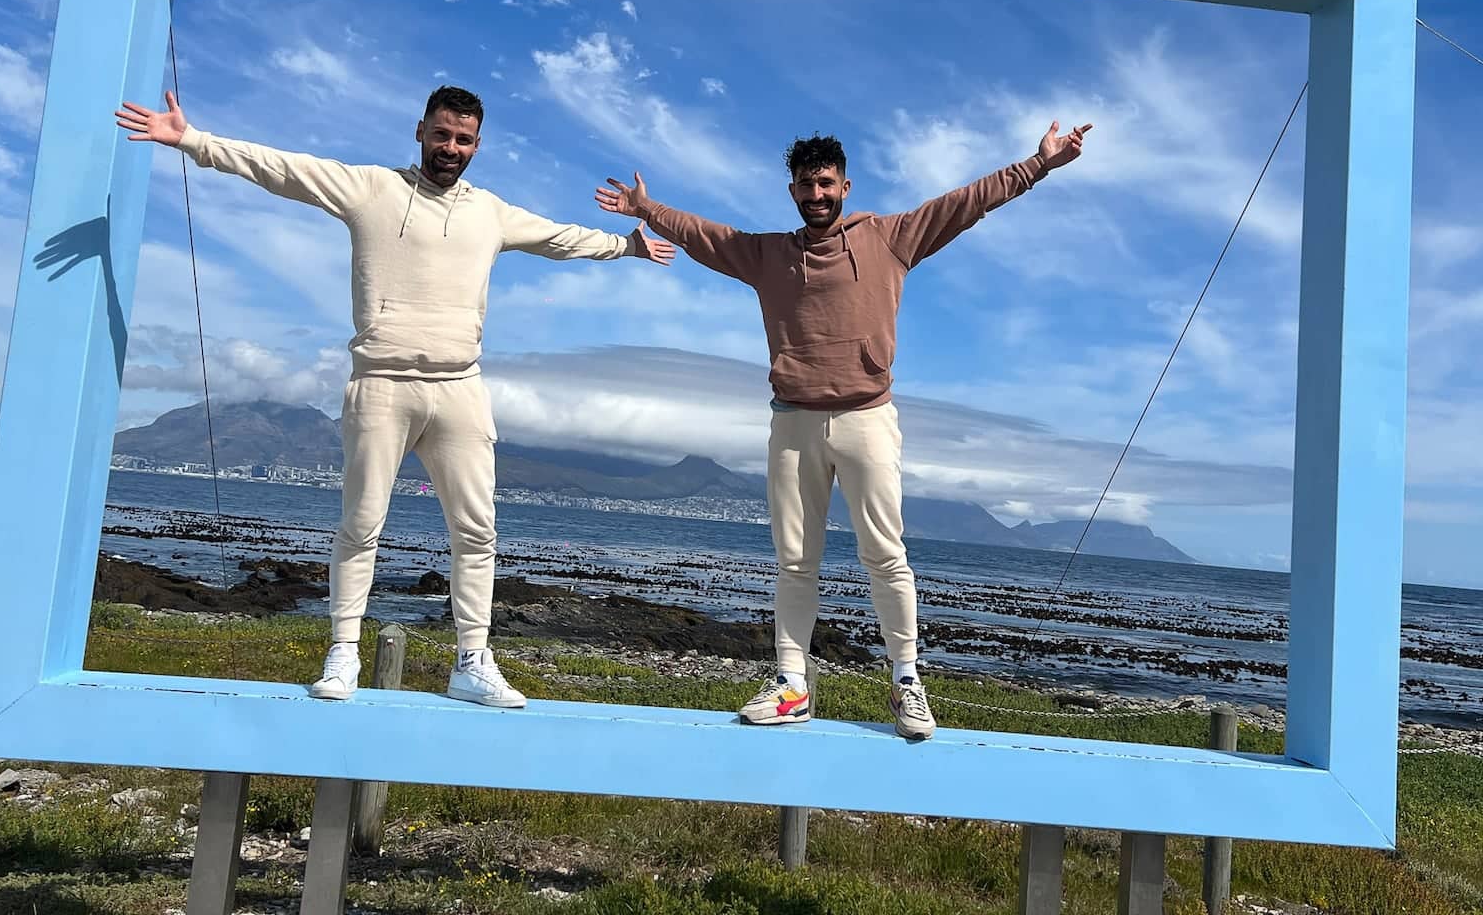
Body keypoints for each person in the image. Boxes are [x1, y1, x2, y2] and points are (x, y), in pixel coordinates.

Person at [117, 85, 675, 707]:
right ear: (420, 131)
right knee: (360, 524)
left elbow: (559, 237)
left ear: (477, 145)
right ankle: (343, 655)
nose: (451, 148)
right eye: (442, 135)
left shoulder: (490, 211)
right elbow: (283, 169)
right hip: (381, 384)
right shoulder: (371, 189)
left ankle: (472, 660)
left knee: (477, 531)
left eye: (463, 140)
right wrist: (193, 140)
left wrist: (626, 245)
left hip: (460, 386)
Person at [595, 121, 1090, 739]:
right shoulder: (767, 254)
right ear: (793, 192)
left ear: (845, 185)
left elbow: (967, 202)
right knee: (795, 562)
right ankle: (792, 685)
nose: (817, 194)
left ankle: (907, 681)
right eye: (805, 185)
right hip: (793, 423)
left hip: (867, 419)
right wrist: (647, 209)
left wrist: (1037, 164)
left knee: (886, 555)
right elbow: (705, 236)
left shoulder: (890, 238)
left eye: (825, 183)